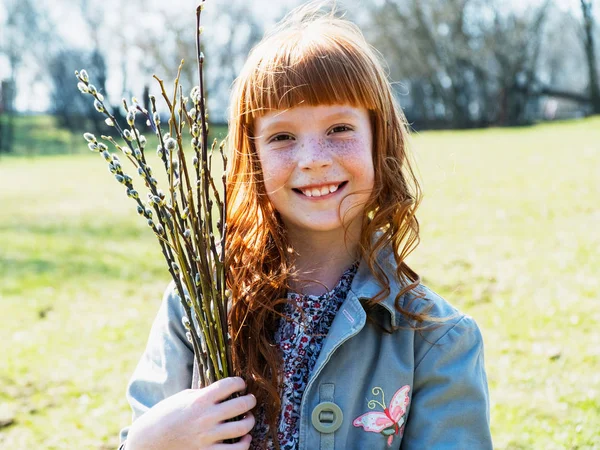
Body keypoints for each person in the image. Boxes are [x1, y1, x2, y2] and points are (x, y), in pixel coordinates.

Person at [119, 3, 493, 449]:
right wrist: (152, 442)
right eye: (282, 136)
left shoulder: (436, 340)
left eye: (339, 128)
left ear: (381, 141)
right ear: (251, 156)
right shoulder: (198, 305)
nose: (313, 158)